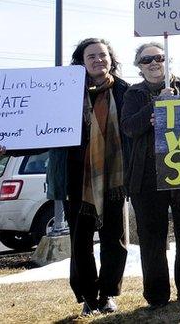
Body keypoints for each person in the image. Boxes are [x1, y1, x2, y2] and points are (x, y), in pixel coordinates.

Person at [120, 42, 180, 309]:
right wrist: (156, 107)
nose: (154, 63)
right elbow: (129, 128)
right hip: (146, 176)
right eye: (147, 60)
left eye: (159, 57)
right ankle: (156, 296)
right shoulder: (133, 94)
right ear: (139, 67)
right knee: (152, 237)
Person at [66, 39, 130, 316]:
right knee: (80, 243)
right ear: (81, 62)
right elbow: (45, 130)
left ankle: (107, 295)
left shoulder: (125, 91)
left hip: (115, 180)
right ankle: (88, 297)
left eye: (102, 55)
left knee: (113, 240)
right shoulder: (66, 93)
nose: (98, 60)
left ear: (110, 59)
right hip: (77, 180)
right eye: (91, 56)